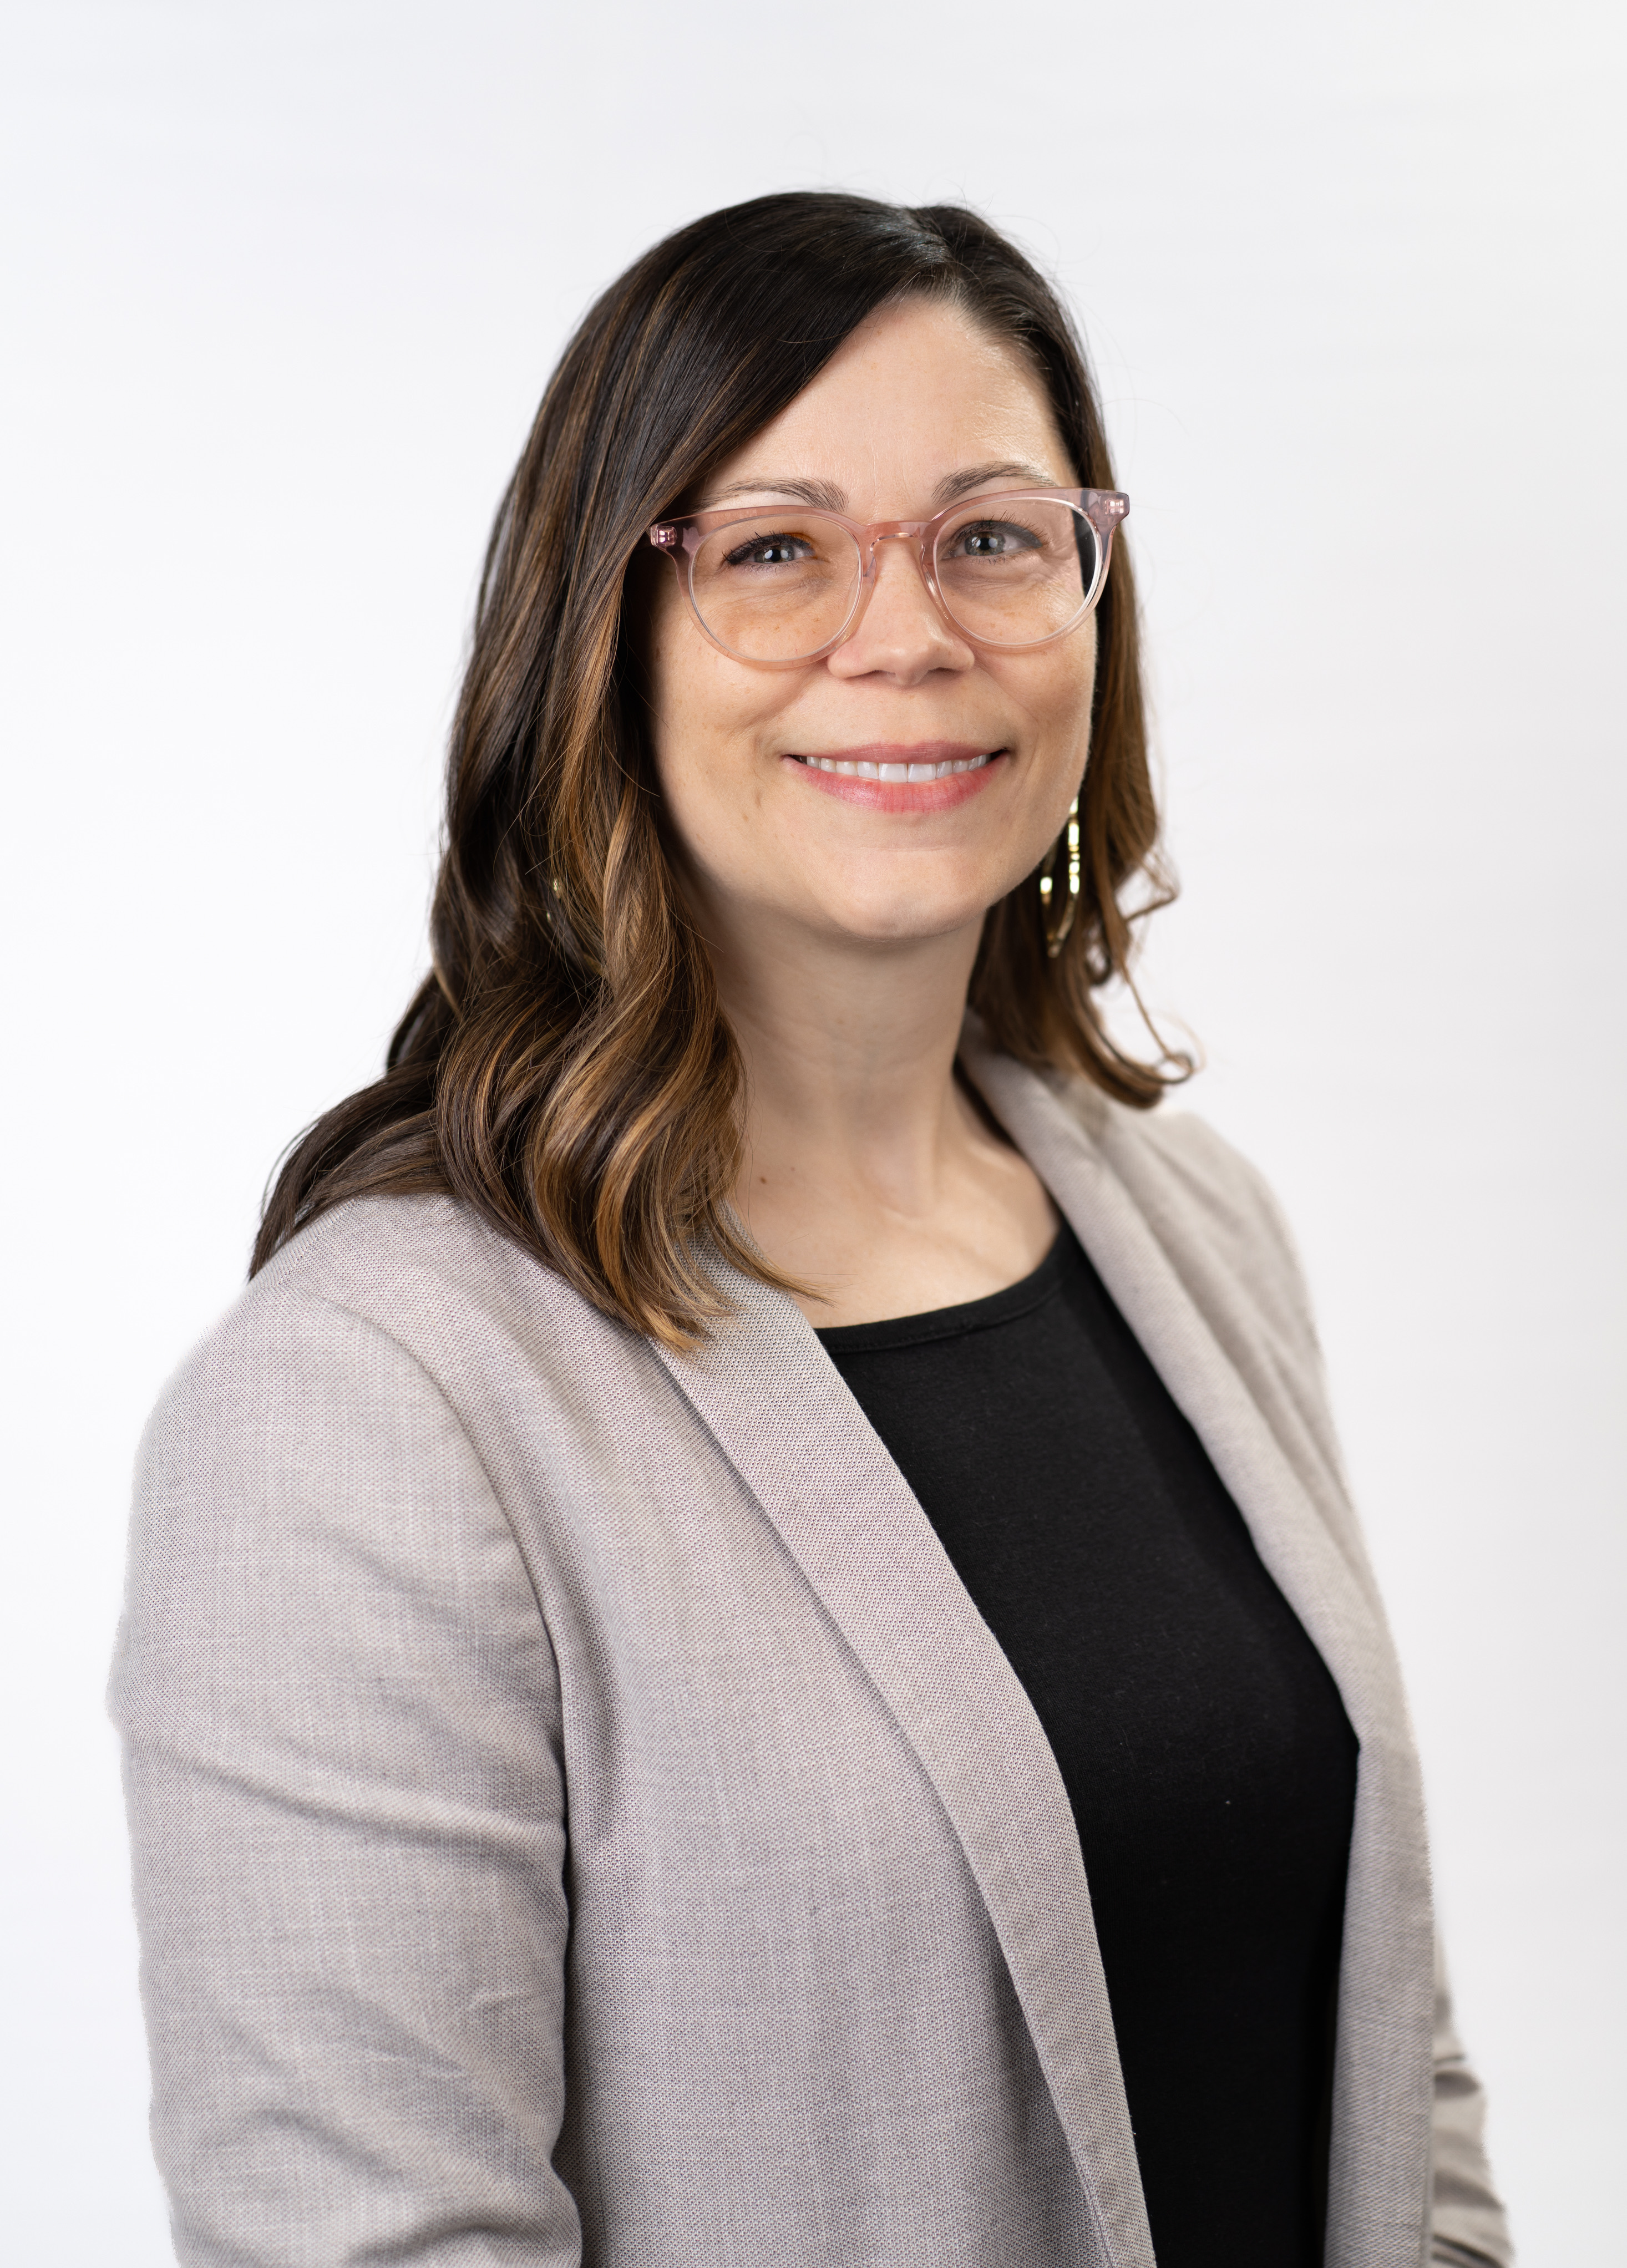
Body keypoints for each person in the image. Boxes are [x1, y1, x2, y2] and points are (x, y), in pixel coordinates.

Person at [111, 192, 1512, 2268]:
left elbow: (1397, 2069)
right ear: (604, 635)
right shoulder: (374, 1407)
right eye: (775, 548)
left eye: (992, 534)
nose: (907, 631)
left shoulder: (1194, 1234)